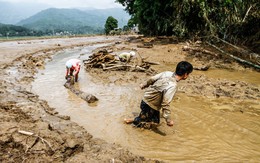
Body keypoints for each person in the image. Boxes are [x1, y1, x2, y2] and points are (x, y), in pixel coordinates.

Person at [125, 61, 193, 127]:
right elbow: (165, 103)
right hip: (150, 104)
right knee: (141, 122)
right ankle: (129, 120)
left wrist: (144, 85)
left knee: (155, 123)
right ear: (186, 74)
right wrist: (168, 119)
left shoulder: (167, 73)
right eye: (188, 74)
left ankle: (139, 118)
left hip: (147, 99)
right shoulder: (172, 85)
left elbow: (152, 79)